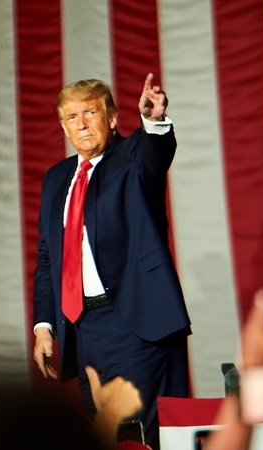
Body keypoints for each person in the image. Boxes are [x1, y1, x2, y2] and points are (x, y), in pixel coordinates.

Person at [32, 73, 191, 449]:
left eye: (91, 112)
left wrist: (153, 121)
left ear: (113, 118)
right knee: (107, 437)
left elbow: (156, 154)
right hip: (82, 329)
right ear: (63, 126)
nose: (82, 123)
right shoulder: (56, 179)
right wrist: (44, 326)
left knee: (142, 435)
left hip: (135, 324)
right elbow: (47, 256)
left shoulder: (132, 156)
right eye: (72, 117)